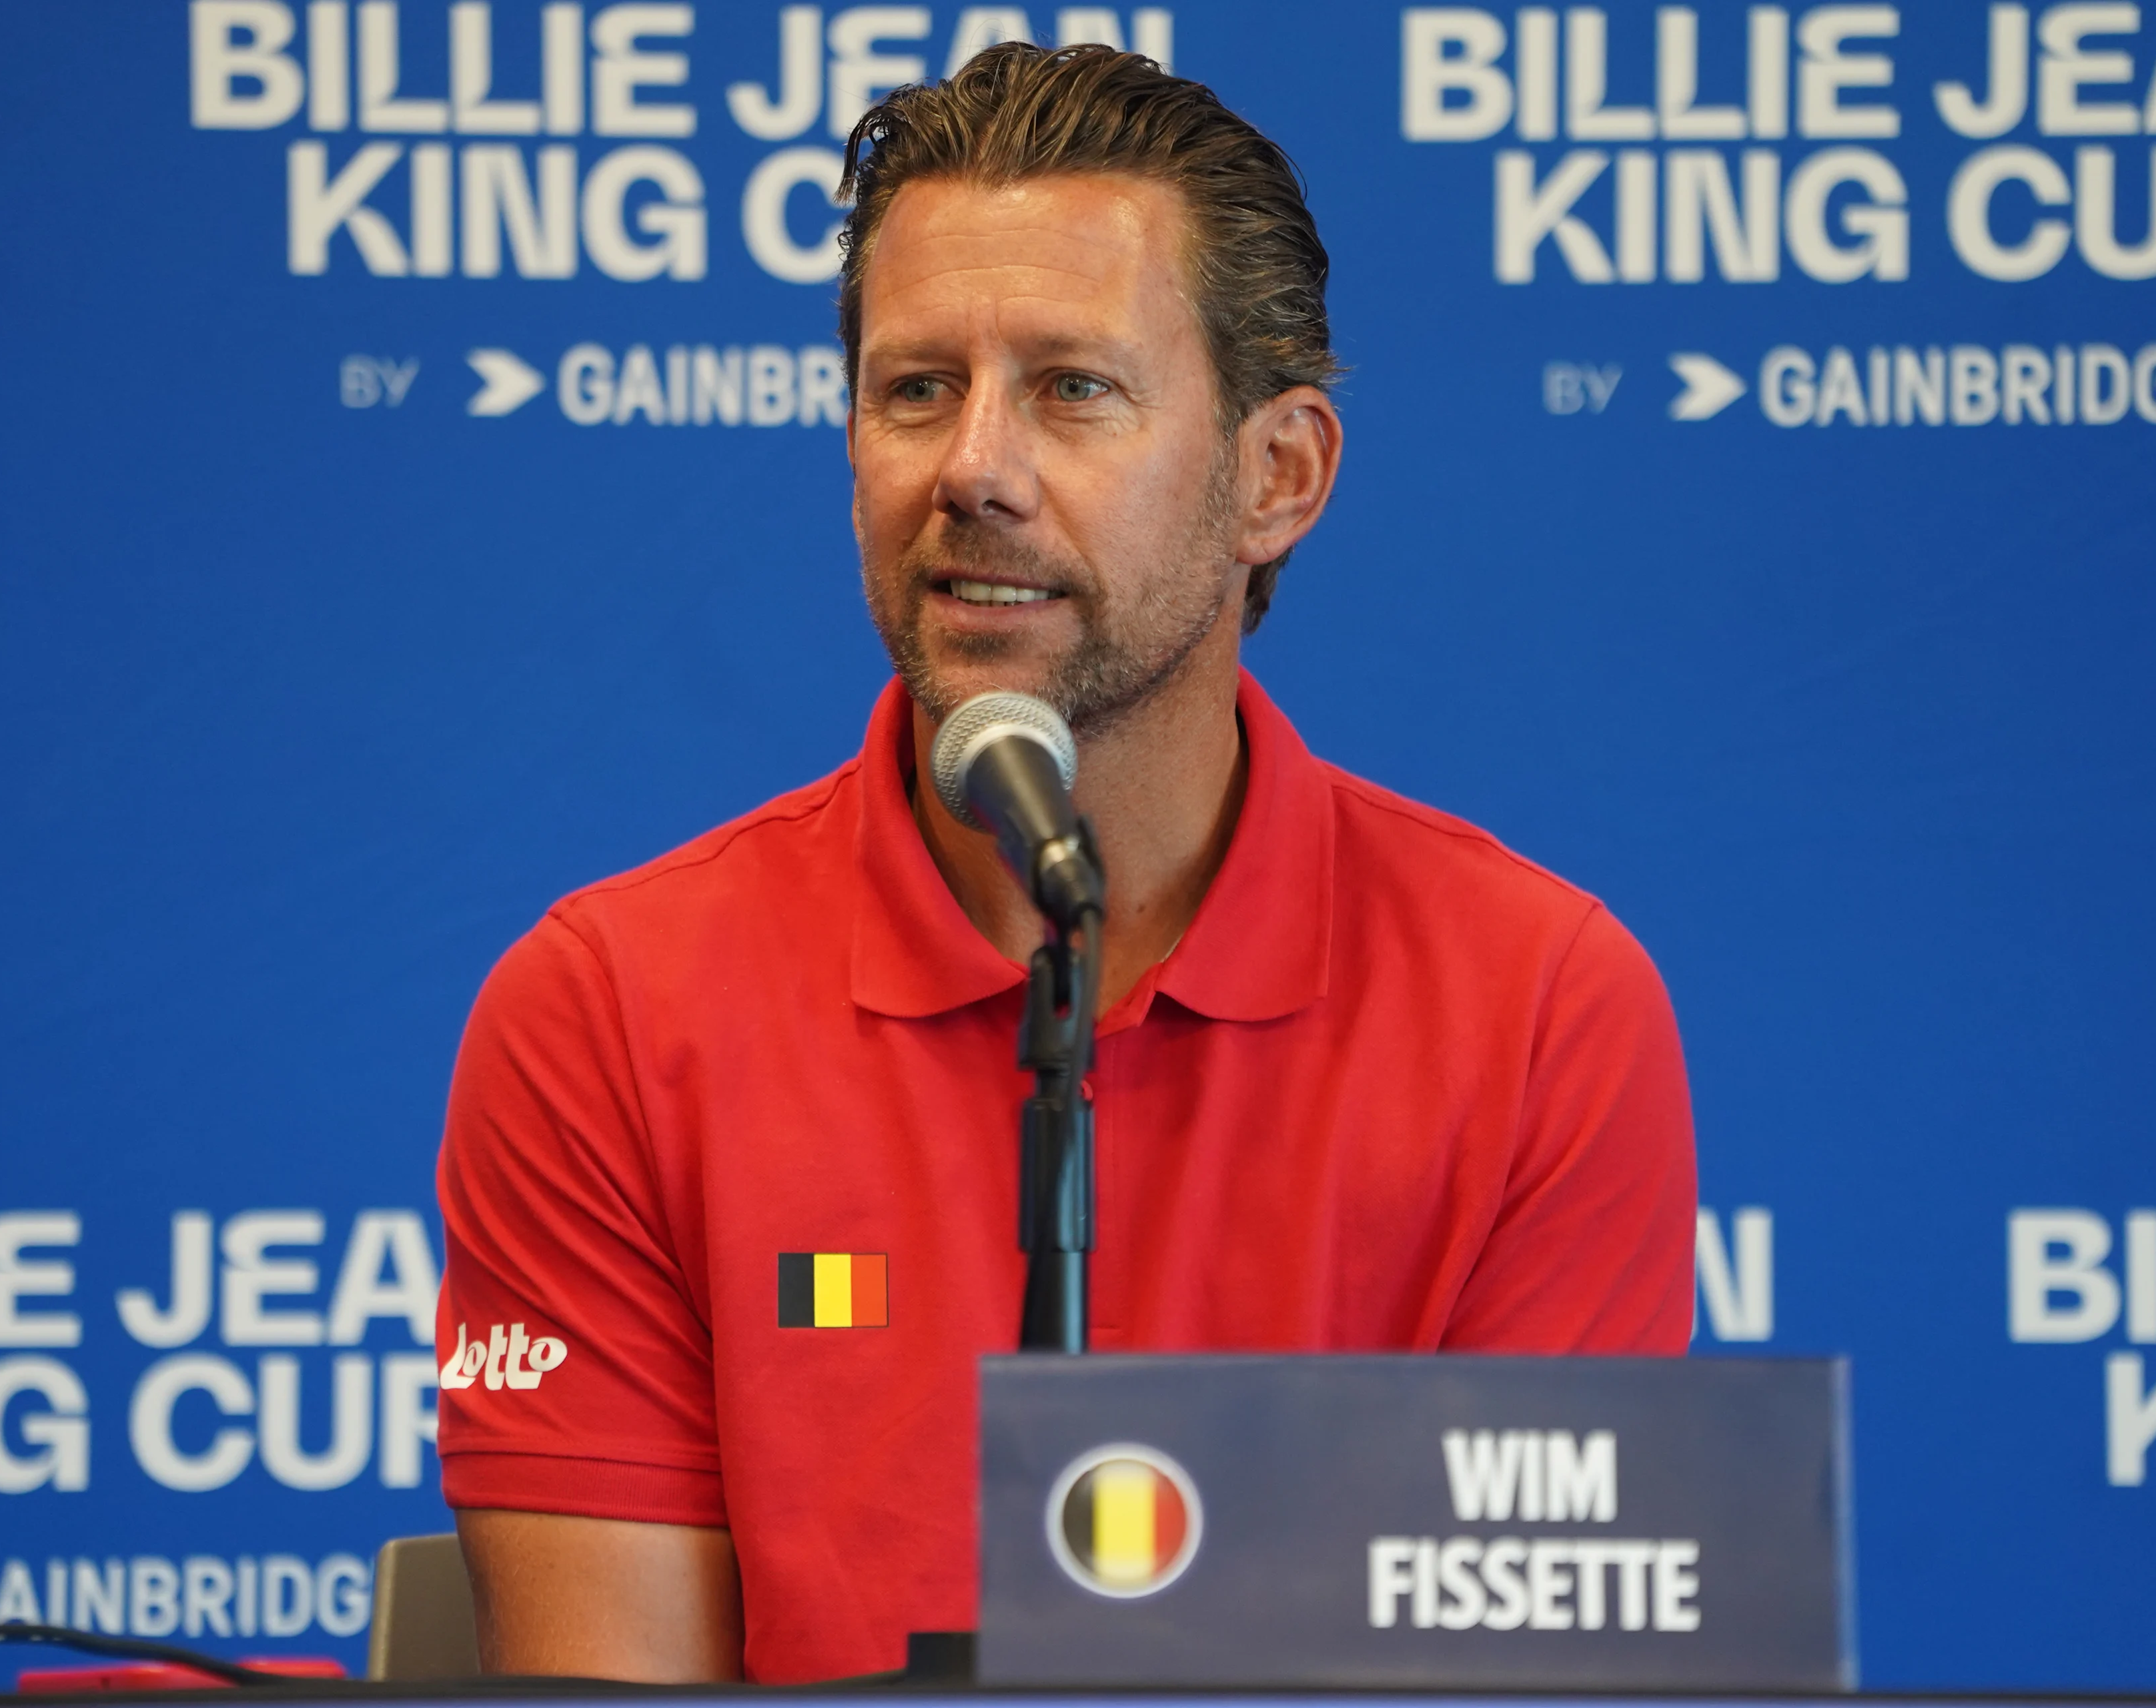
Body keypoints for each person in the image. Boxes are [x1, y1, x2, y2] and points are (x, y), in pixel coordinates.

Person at [432, 42, 1696, 1687]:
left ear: (1278, 475)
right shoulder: (607, 1012)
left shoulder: (1540, 1009)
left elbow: (1536, 1677)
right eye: (915, 389)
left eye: (1073, 387)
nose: (974, 467)